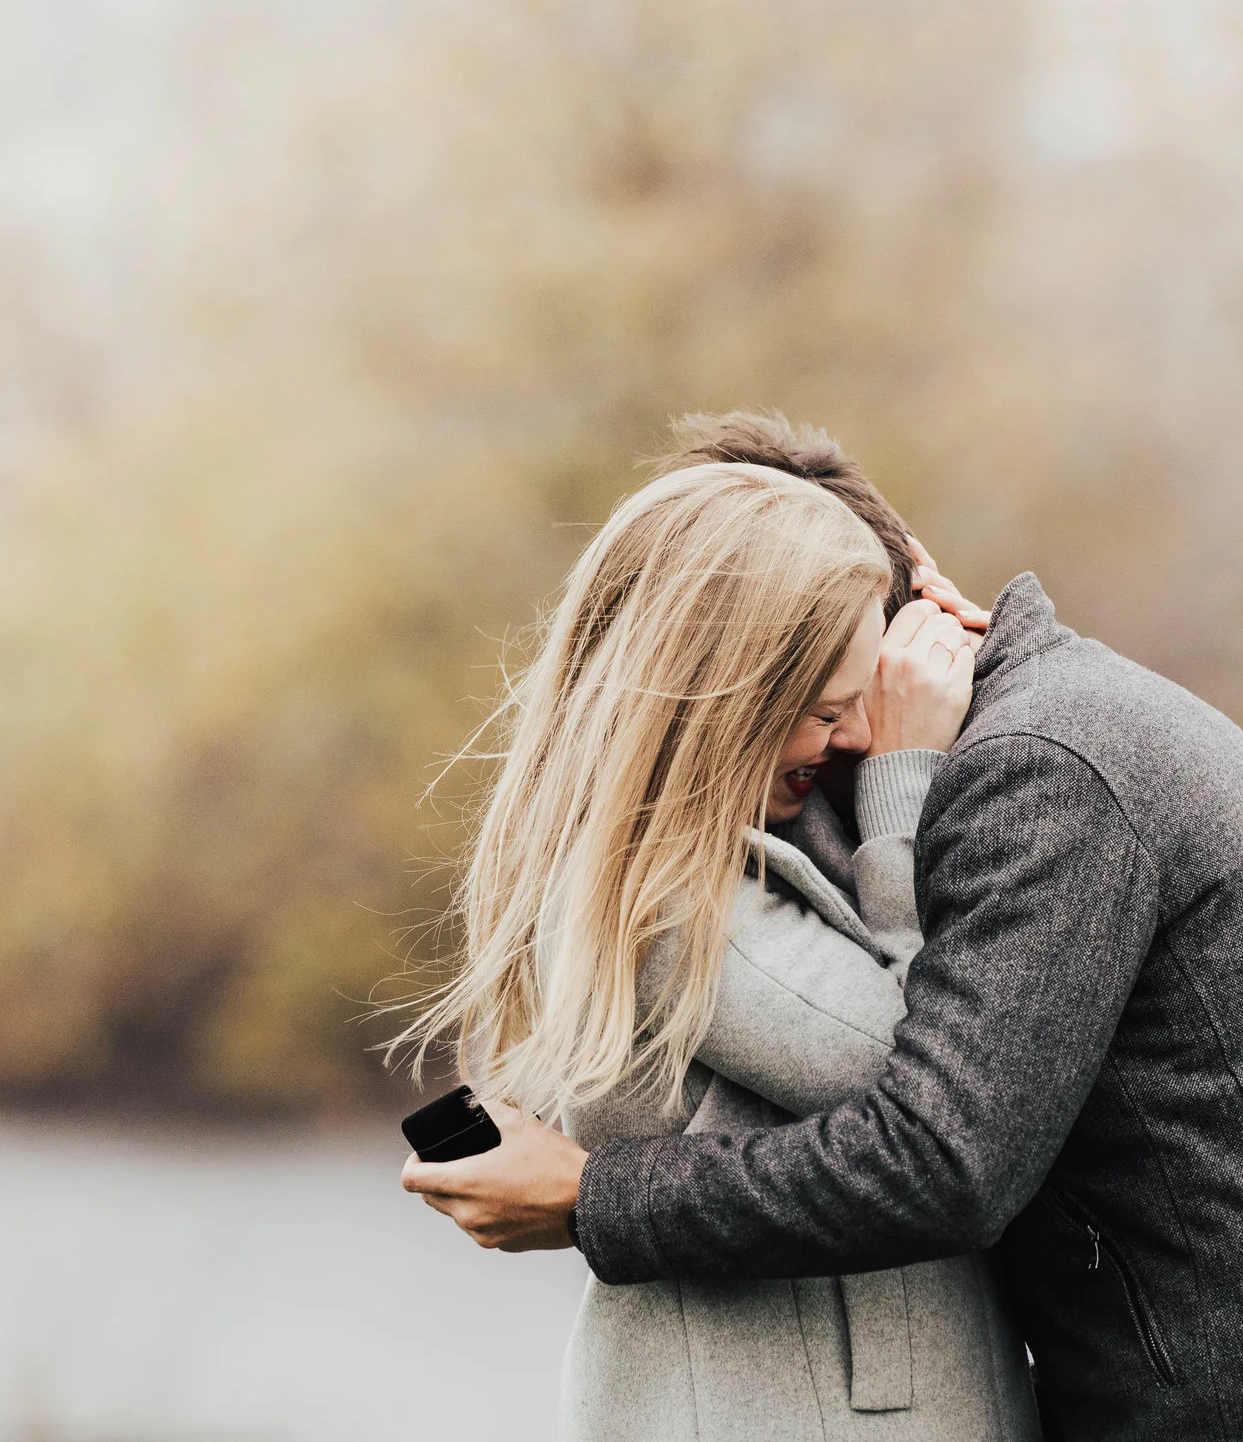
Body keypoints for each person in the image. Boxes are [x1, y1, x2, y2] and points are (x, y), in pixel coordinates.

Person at [408, 413, 1243, 1442]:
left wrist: (597, 1198)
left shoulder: (1040, 770)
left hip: (1232, 1412)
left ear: (906, 603)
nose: (854, 732)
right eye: (815, 705)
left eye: (841, 692)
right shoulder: (1088, 720)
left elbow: (936, 1149)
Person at [389, 453, 1039, 1440]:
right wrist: (908, 775)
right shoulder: (663, 900)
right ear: (720, 703)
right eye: (827, 710)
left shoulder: (677, 861)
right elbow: (921, 1067)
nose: (857, 733)